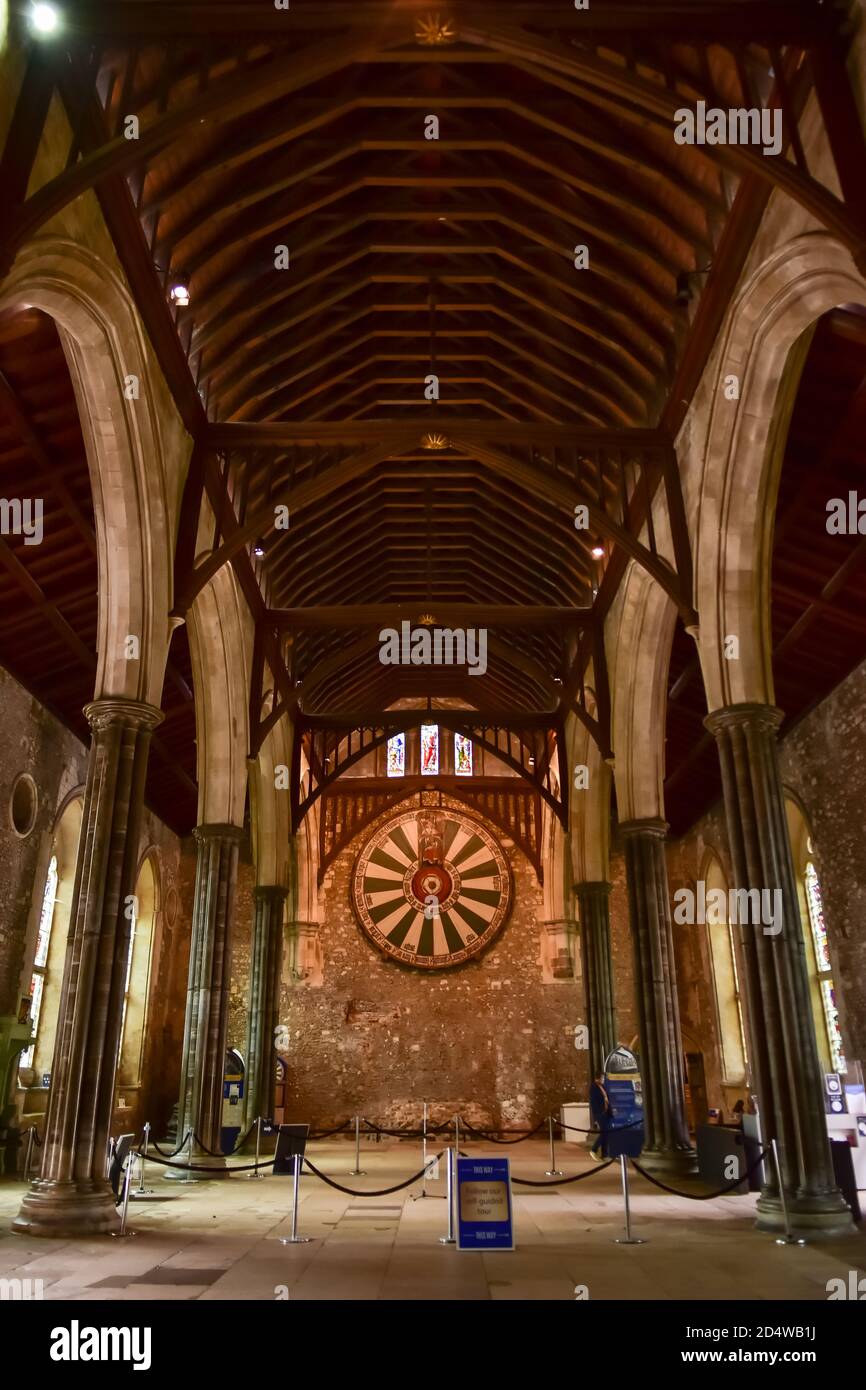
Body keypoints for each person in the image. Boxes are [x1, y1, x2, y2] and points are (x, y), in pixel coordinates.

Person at [589, 1071, 611, 1160]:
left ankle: (605, 1154)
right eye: (602, 1078)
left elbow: (606, 1099)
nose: (603, 1080)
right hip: (600, 1113)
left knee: (606, 1133)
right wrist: (596, 1116)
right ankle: (594, 1149)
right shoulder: (593, 1087)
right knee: (604, 1132)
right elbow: (594, 1102)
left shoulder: (603, 1087)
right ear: (598, 1078)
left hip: (606, 1113)